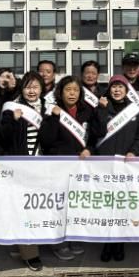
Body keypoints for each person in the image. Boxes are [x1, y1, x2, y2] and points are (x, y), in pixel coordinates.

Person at [88, 75, 139, 262]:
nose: (117, 90)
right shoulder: (101, 107)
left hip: (126, 165)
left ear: (126, 90)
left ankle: (119, 242)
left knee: (122, 205)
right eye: (114, 87)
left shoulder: (135, 111)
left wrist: (134, 151)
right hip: (104, 166)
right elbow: (96, 133)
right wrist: (101, 110)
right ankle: (108, 242)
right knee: (107, 206)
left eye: (121, 87)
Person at [0, 71, 46, 271]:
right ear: (21, 89)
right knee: (25, 210)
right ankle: (30, 253)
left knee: (39, 208)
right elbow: (3, 137)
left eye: (35, 87)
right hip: (21, 168)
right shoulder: (12, 108)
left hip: (43, 168)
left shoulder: (48, 108)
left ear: (41, 89)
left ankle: (25, 244)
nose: (31, 91)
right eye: (27, 87)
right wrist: (14, 121)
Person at [39, 76, 93, 261]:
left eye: (75, 90)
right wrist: (55, 117)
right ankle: (58, 242)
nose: (72, 93)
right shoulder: (52, 111)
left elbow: (95, 136)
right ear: (60, 92)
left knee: (76, 204)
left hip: (80, 166)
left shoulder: (87, 111)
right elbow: (46, 140)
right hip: (58, 166)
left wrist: (89, 149)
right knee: (59, 205)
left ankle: (73, 237)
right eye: (68, 90)